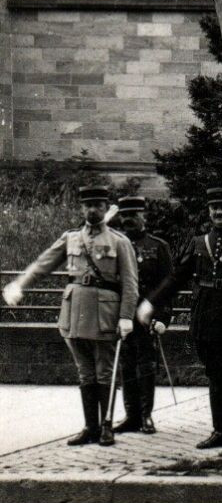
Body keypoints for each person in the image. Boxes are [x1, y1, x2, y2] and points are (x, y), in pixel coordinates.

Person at [4, 185, 138, 447]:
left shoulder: (119, 242)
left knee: (105, 372)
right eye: (87, 205)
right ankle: (90, 427)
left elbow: (131, 283)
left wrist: (126, 316)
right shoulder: (71, 238)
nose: (92, 210)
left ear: (105, 207)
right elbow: (44, 264)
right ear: (82, 208)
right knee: (85, 373)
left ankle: (106, 426)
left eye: (98, 205)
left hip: (105, 314)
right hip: (74, 313)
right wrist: (19, 284)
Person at [140, 188, 222, 449]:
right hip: (206, 319)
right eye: (214, 207)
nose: (219, 212)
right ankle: (218, 431)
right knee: (214, 375)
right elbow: (176, 277)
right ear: (209, 211)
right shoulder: (199, 243)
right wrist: (152, 302)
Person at [110, 195, 172, 435]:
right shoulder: (114, 245)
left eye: (133, 215)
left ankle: (146, 416)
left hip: (147, 315)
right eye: (124, 215)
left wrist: (163, 318)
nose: (128, 220)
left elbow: (167, 286)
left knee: (145, 365)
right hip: (121, 314)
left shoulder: (158, 246)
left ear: (143, 216)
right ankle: (131, 416)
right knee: (126, 364)